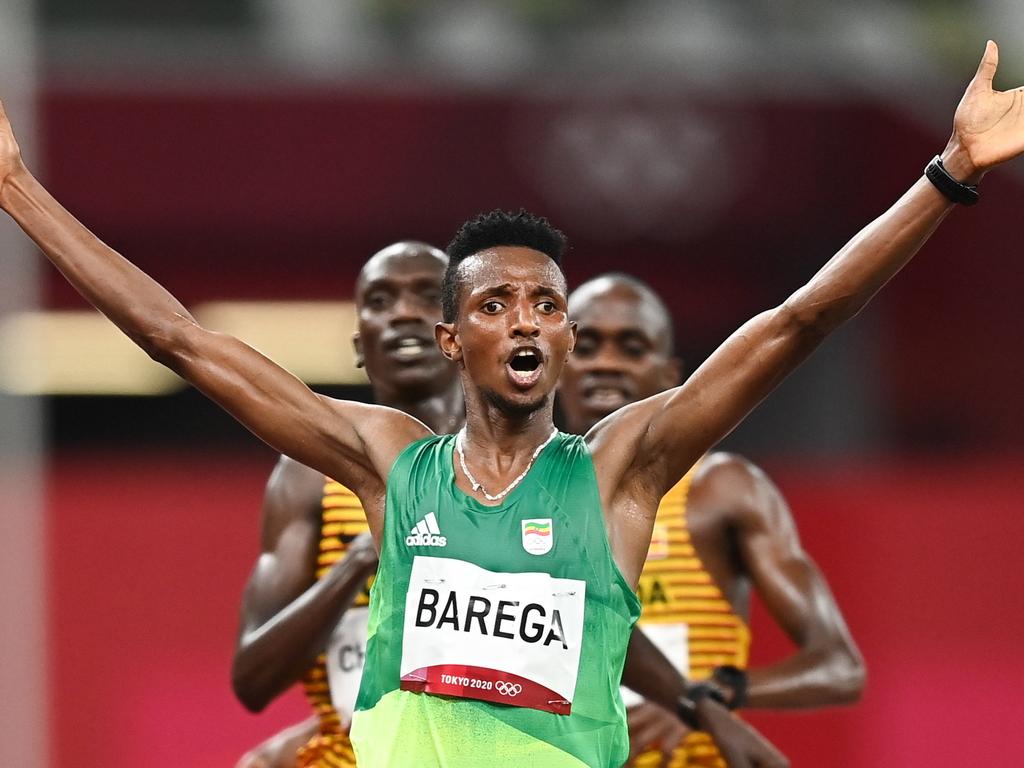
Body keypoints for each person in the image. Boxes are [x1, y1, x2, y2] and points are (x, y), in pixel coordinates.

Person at [0, 41, 1019, 767]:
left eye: (546, 304)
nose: (526, 319)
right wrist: (19, 191)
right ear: (454, 340)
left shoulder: (623, 467)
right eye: (495, 303)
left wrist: (945, 177)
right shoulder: (389, 460)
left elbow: (798, 322)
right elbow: (184, 340)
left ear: (563, 338)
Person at [559, 274, 866, 767]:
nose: (606, 364)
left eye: (632, 348)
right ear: (556, 366)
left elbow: (838, 667)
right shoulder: (519, 497)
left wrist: (706, 700)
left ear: (670, 377)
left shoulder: (720, 491)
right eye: (586, 346)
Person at [232, 242, 464, 768]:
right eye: (381, 300)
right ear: (361, 344)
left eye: (429, 296)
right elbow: (252, 680)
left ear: (462, 333)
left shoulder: (518, 473)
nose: (404, 312)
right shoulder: (310, 478)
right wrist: (359, 561)